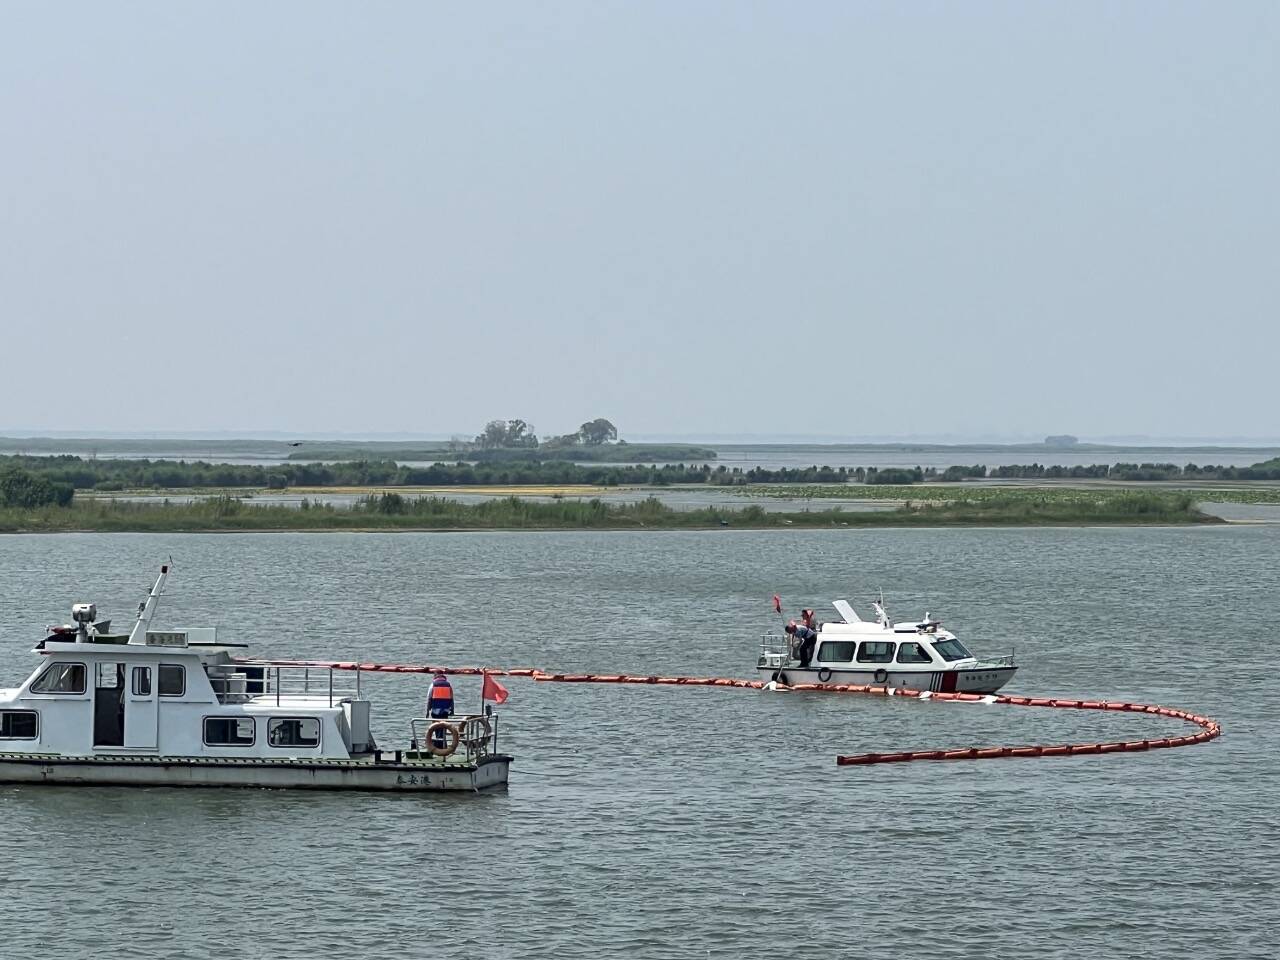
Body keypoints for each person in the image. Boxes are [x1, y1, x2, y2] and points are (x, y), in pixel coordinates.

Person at [426, 671, 454, 749]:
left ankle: (438, 745)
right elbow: (451, 699)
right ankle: (443, 745)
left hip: (435, 710)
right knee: (443, 728)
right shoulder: (448, 685)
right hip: (445, 711)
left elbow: (429, 699)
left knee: (436, 727)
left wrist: (427, 711)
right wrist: (452, 710)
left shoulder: (433, 685)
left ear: (435, 676)